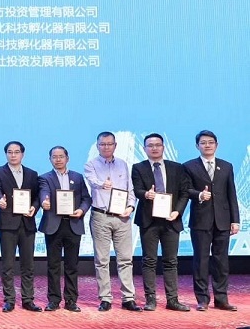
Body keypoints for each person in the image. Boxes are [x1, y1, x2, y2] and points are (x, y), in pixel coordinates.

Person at [131, 134, 191, 312]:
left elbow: (184, 192)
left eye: (158, 145)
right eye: (150, 145)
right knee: (149, 261)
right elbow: (136, 189)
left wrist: (177, 211)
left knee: (171, 261)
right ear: (144, 149)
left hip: (171, 220)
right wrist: (145, 194)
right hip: (148, 220)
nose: (154, 148)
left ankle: (173, 300)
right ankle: (150, 299)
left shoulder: (177, 168)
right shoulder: (138, 167)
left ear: (163, 147)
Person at [183, 130, 240, 311]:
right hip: (200, 220)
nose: (207, 145)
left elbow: (232, 194)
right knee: (201, 261)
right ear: (197, 146)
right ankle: (202, 299)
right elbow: (185, 190)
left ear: (216, 144)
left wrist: (235, 220)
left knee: (221, 261)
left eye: (210, 142)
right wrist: (199, 195)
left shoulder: (226, 166)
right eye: (203, 142)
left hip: (223, 220)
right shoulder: (189, 166)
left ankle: (221, 299)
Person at [84, 131, 141, 312]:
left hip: (122, 217)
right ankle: (105, 298)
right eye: (102, 144)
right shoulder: (91, 165)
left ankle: (128, 298)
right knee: (102, 260)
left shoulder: (123, 164)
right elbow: (92, 181)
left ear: (115, 145)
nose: (106, 147)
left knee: (125, 259)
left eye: (109, 144)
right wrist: (103, 184)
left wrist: (130, 207)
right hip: (101, 216)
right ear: (97, 146)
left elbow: (130, 190)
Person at [38, 146, 91, 312]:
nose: (58, 159)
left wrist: (81, 210)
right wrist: (44, 202)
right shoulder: (44, 178)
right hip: (53, 225)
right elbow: (44, 193)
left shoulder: (77, 177)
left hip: (73, 224)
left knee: (72, 265)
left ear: (67, 158)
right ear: (50, 159)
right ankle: (54, 300)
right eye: (54, 157)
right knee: (53, 265)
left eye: (61, 156)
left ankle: (71, 300)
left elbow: (86, 198)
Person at [0, 141, 41, 313]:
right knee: (8, 264)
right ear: (6, 154)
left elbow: (37, 196)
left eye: (16, 152)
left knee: (28, 265)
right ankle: (9, 300)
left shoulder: (32, 174)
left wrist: (34, 207)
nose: (13, 155)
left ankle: (28, 299)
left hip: (27, 223)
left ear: (22, 154)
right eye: (10, 152)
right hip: (7, 223)